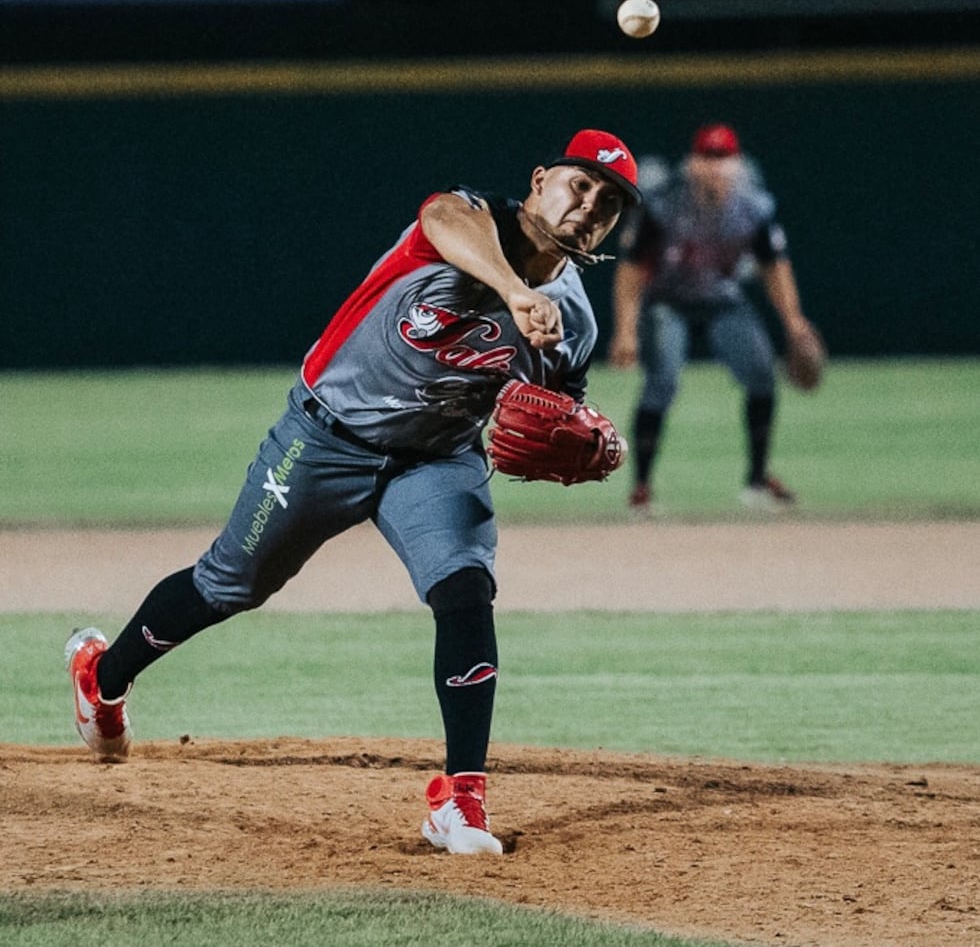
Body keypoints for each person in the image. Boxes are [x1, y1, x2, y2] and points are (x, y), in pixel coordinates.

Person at [65, 128, 641, 855]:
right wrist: (515, 291)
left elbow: (555, 404)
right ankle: (103, 676)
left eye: (609, 202)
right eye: (578, 184)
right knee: (226, 586)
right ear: (537, 181)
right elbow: (441, 220)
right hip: (323, 439)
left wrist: (578, 436)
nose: (589, 205)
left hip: (435, 462)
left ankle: (461, 800)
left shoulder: (576, 320)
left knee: (465, 593)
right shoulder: (464, 222)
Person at [609, 123, 813, 517]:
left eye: (724, 158)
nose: (716, 167)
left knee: (761, 376)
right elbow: (631, 270)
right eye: (707, 157)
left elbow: (775, 267)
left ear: (738, 163)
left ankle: (757, 482)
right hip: (667, 300)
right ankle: (641, 490)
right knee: (661, 383)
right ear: (692, 162)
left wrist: (794, 320)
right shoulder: (666, 202)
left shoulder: (753, 206)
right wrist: (625, 329)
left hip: (722, 298)